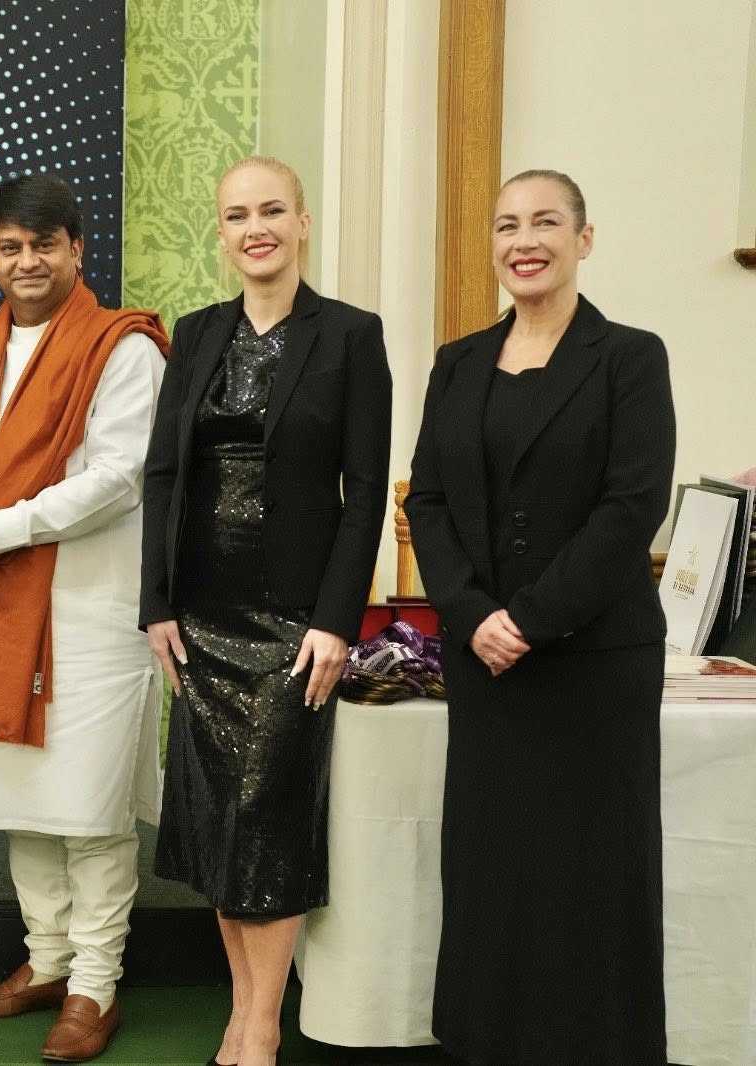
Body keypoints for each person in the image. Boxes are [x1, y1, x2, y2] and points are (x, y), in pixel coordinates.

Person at [405, 169, 674, 1066]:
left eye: (546, 222)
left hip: (594, 665)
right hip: (485, 664)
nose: (525, 241)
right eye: (507, 225)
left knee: (594, 875)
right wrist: (471, 613)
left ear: (583, 239)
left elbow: (632, 507)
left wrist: (526, 620)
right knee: (494, 871)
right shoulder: (457, 362)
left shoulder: (630, 358)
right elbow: (427, 500)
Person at [140, 156, 391, 1066]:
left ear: (303, 223)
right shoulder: (197, 332)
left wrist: (337, 620)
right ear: (222, 233)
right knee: (219, 817)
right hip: (200, 616)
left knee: (270, 815)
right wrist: (156, 605)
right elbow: (163, 476)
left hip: (295, 622)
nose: (257, 228)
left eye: (273, 210)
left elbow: (364, 493)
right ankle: (244, 1009)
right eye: (239, 214)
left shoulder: (351, 336)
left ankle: (262, 1025)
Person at [0, 174, 167, 1064]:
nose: (27, 261)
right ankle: (49, 962)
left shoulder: (123, 349)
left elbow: (117, 479)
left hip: (91, 616)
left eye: (44, 245)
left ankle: (96, 984)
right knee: (25, 799)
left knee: (88, 811)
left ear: (77, 250)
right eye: (10, 247)